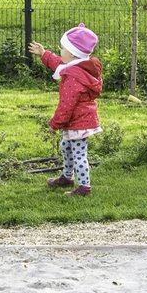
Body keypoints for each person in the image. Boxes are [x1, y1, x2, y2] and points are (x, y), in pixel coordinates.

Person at [28, 24, 102, 197]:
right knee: (66, 147)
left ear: (72, 53)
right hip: (79, 120)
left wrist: (55, 124)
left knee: (79, 154)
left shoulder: (73, 78)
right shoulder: (80, 66)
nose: (60, 51)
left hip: (79, 122)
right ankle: (67, 178)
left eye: (63, 48)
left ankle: (84, 188)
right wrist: (44, 53)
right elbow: (59, 64)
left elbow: (66, 106)